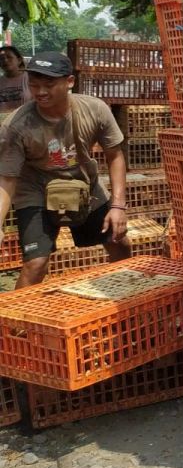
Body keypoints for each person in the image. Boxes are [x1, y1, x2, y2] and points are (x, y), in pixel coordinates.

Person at [0, 52, 129, 288]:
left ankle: (130, 300)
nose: (40, 92)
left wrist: (118, 206)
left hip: (84, 184)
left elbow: (115, 155)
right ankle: (13, 324)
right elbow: (7, 179)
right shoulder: (16, 125)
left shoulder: (95, 109)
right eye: (34, 85)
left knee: (118, 240)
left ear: (69, 82)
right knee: (36, 263)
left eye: (49, 85)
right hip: (36, 191)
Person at [0, 45, 30, 115]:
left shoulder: (30, 78)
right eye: (1, 58)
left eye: (9, 57)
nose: (5, 60)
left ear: (19, 60)